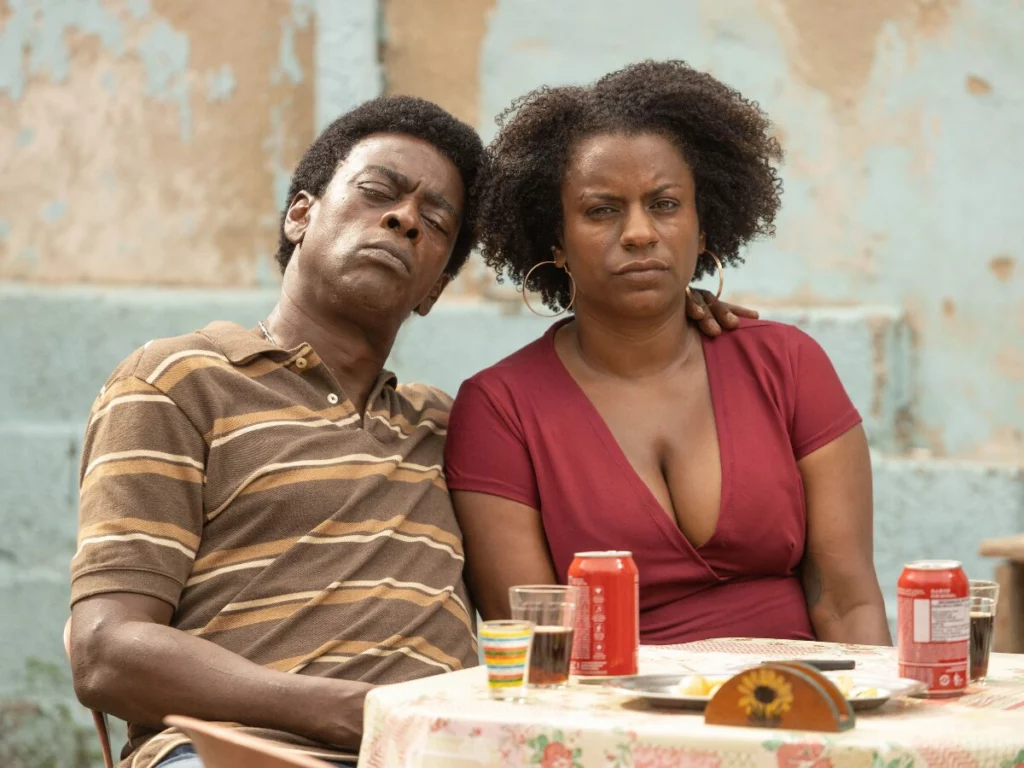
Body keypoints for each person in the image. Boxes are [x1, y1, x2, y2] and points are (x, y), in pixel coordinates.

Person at [68, 94, 747, 768]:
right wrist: (345, 712)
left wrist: (663, 315)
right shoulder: (181, 381)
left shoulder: (453, 428)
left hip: (444, 754)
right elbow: (105, 651)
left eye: (436, 220)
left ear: (433, 291)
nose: (404, 219)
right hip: (239, 753)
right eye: (377, 193)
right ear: (300, 214)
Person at [445, 61, 892, 647]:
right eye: (602, 210)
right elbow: (541, 646)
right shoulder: (500, 409)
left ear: (703, 229)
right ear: (556, 241)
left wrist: (868, 706)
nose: (639, 233)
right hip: (614, 702)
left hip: (797, 693)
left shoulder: (785, 364)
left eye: (664, 204)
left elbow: (848, 602)